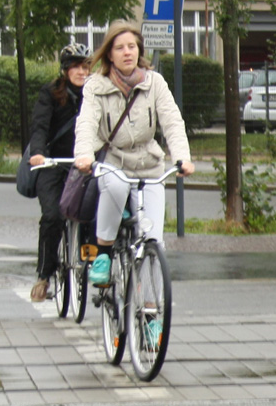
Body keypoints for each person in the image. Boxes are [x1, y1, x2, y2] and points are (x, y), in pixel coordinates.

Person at [73, 21, 195, 298]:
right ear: (109, 54)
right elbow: (86, 123)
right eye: (120, 47)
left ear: (139, 50)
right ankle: (103, 253)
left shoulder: (155, 83)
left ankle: (151, 314)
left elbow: (172, 122)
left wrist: (182, 158)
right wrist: (83, 155)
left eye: (132, 46)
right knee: (114, 187)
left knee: (153, 241)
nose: (127, 52)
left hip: (149, 165)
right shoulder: (95, 86)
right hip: (114, 160)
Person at [28, 43, 92, 302]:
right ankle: (44, 275)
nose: (81, 71)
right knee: (53, 216)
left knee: (92, 212)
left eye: (85, 66)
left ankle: (94, 261)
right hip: (53, 164)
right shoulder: (51, 93)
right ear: (65, 70)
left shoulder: (95, 93)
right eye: (75, 66)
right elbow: (40, 126)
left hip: (82, 164)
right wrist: (39, 153)